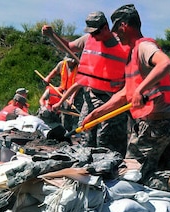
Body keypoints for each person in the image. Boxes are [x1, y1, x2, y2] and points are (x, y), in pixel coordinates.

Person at [81, 4, 170, 212]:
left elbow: (165, 63)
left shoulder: (143, 46)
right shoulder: (132, 54)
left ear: (125, 25)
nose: (115, 33)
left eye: (116, 27)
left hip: (154, 125)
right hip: (169, 122)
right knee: (164, 168)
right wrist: (97, 113)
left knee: (133, 173)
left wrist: (141, 89)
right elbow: (124, 94)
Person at [42, 11, 130, 156]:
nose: (93, 36)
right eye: (90, 32)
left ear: (106, 28)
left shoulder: (123, 43)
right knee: (86, 137)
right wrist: (52, 35)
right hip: (91, 96)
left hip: (113, 100)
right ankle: (86, 171)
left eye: (95, 32)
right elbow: (68, 47)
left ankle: (111, 173)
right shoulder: (88, 39)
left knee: (108, 143)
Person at [42, 56, 82, 131]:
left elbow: (78, 85)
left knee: (75, 114)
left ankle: (76, 132)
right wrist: (48, 77)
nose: (70, 63)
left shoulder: (80, 67)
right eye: (69, 61)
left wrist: (72, 98)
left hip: (78, 93)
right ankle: (65, 131)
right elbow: (55, 71)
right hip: (64, 92)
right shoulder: (62, 64)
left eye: (72, 61)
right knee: (64, 112)